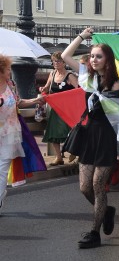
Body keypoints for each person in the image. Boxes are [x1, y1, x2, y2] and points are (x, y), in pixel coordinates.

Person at [61, 28, 119, 248]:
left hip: (107, 138)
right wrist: (81, 37)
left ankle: (94, 233)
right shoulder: (87, 78)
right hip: (89, 136)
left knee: (97, 185)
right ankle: (106, 210)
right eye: (92, 56)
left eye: (98, 56)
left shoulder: (116, 85)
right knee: (84, 187)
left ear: (108, 60)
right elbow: (66, 56)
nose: (94, 60)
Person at [0, 55, 43, 213]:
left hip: (10, 133)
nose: (10, 72)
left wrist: (35, 101)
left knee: (3, 168)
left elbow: (18, 102)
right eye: (7, 70)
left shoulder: (11, 85)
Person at [40, 51, 78, 166]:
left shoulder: (70, 76)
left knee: (72, 132)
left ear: (64, 62)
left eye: (59, 61)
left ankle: (74, 151)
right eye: (54, 61)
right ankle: (59, 157)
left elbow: (79, 90)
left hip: (68, 109)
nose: (56, 63)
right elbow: (47, 88)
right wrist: (43, 89)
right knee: (53, 133)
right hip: (55, 109)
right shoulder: (52, 74)